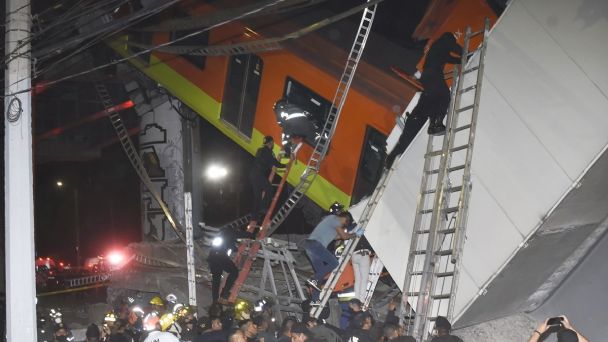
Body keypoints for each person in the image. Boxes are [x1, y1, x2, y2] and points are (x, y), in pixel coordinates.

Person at [385, 32, 463, 170]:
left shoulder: (438, 50)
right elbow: (455, 48)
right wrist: (465, 52)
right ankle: (436, 123)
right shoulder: (443, 42)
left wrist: (463, 58)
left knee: (435, 99)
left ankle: (390, 161)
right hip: (432, 75)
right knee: (444, 95)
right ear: (448, 39)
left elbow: (450, 58)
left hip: (429, 79)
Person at [303, 211, 355, 298]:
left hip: (310, 247)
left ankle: (315, 300)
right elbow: (344, 236)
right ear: (346, 219)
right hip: (315, 245)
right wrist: (355, 234)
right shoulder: (334, 219)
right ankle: (313, 279)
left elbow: (338, 237)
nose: (344, 226)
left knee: (320, 274)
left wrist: (345, 236)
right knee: (334, 263)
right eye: (345, 224)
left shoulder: (332, 225)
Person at [207, 226, 256, 303]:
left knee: (216, 279)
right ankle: (224, 294)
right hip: (220, 257)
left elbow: (229, 245)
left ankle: (215, 301)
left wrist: (236, 247)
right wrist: (253, 235)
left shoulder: (221, 235)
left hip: (212, 258)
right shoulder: (230, 232)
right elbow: (240, 234)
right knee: (234, 272)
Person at [249, 136, 287, 222]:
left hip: (253, 174)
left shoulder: (260, 150)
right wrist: (285, 165)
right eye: (273, 143)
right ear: (270, 143)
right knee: (269, 188)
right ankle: (263, 208)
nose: (273, 144)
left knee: (257, 196)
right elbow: (275, 163)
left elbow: (264, 161)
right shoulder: (268, 151)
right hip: (258, 174)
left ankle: (254, 217)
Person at [351, 235, 374, 302]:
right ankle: (361, 300)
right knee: (364, 279)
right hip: (363, 255)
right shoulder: (366, 234)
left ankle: (356, 299)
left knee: (358, 280)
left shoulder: (354, 231)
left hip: (354, 255)